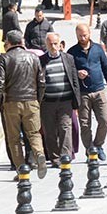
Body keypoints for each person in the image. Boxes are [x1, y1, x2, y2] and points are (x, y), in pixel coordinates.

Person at [0, 29, 47, 178]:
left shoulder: (4, 58)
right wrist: (37, 100)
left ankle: (21, 170)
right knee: (34, 133)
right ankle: (39, 153)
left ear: (8, 43)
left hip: (11, 102)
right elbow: (42, 82)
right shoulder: (34, 57)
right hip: (31, 100)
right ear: (21, 42)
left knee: (14, 138)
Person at [69, 23, 107, 159]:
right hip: (83, 93)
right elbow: (69, 71)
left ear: (89, 33)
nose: (82, 38)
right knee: (85, 124)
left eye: (84, 35)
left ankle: (98, 145)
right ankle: (90, 149)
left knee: (105, 119)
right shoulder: (72, 52)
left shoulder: (98, 49)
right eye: (80, 36)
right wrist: (77, 73)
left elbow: (106, 67)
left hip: (99, 90)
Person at [39, 33, 81, 165]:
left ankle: (65, 156)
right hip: (47, 103)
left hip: (65, 101)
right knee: (49, 131)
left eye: (55, 43)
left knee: (65, 128)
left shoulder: (68, 58)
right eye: (50, 44)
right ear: (46, 44)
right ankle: (55, 157)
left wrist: (76, 102)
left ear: (60, 44)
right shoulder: (41, 60)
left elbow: (74, 80)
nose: (53, 46)